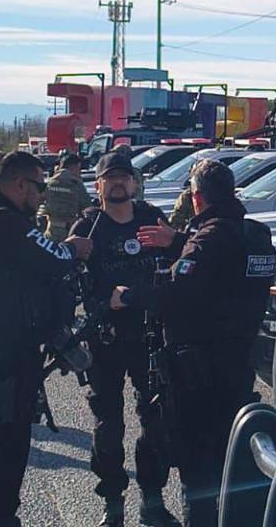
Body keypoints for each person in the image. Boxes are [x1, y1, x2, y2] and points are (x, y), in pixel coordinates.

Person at [112, 159, 276, 527]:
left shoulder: (210, 238)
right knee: (231, 459)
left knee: (197, 468)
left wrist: (128, 296)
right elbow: (223, 266)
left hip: (199, 372)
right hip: (239, 364)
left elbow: (176, 290)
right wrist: (177, 242)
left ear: (197, 198)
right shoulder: (256, 235)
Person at [0, 151, 93, 527]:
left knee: (10, 443)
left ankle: (1, 517)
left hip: (4, 345)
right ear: (20, 184)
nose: (42, 195)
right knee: (6, 446)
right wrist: (74, 247)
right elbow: (53, 256)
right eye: (39, 186)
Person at [69, 153, 176, 527]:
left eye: (124, 178)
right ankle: (113, 504)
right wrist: (102, 302)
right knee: (108, 426)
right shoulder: (88, 227)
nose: (117, 184)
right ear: (98, 185)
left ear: (134, 183)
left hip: (150, 337)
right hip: (106, 339)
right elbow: (67, 279)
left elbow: (181, 261)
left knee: (156, 421)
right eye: (110, 178)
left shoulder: (151, 219)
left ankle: (152, 500)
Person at [41, 153, 91, 243]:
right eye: (79, 169)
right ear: (75, 167)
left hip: (50, 232)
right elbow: (87, 208)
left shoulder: (49, 183)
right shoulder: (76, 184)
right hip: (69, 233)